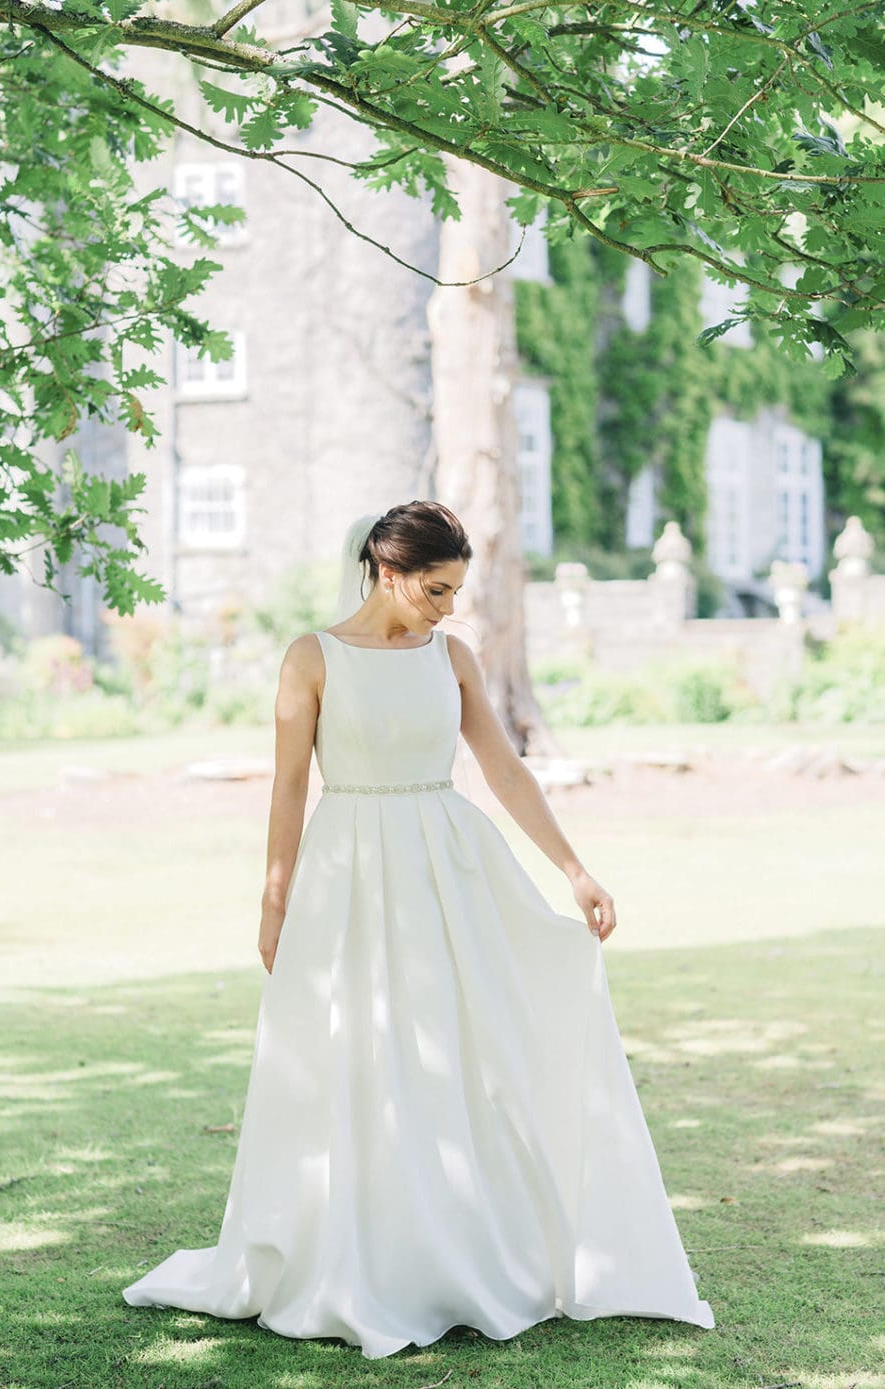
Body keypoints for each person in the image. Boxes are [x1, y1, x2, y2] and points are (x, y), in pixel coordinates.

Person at [122, 499, 715, 1358]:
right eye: (435, 590)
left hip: (448, 869)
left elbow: (503, 769)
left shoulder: (455, 656)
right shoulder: (311, 658)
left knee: (464, 1052)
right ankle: (357, 1253)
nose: (447, 608)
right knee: (357, 1053)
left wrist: (575, 868)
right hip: (347, 874)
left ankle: (461, 1251)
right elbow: (289, 787)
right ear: (388, 571)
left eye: (456, 592)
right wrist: (274, 897)